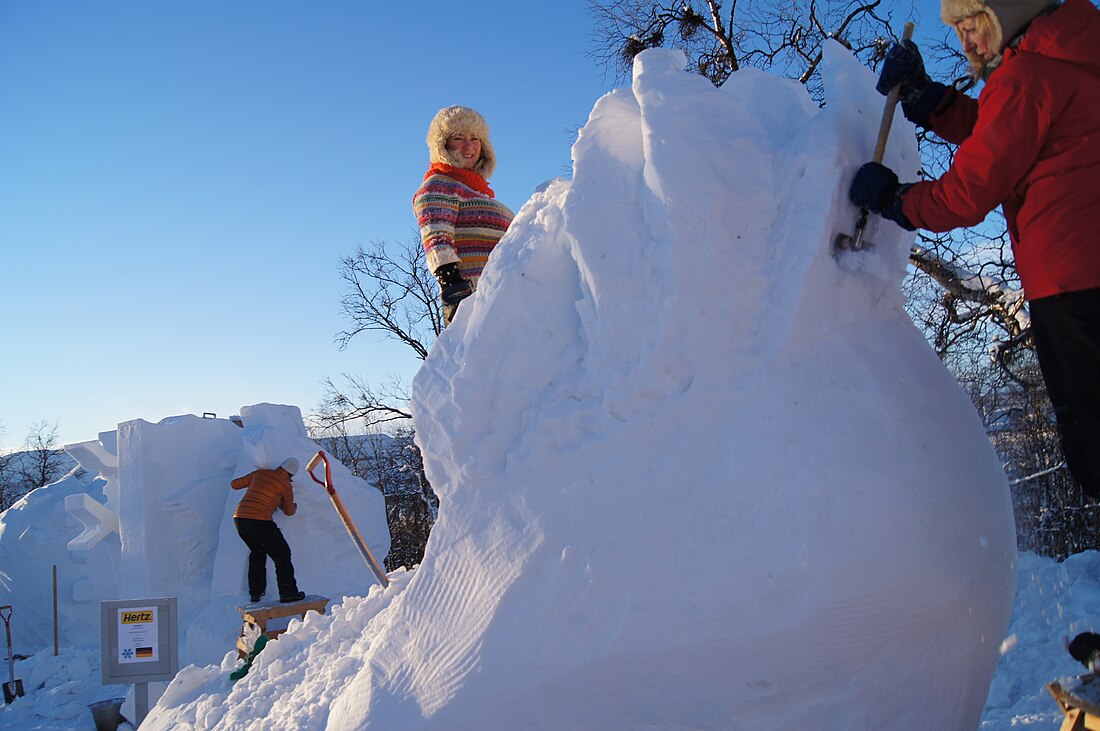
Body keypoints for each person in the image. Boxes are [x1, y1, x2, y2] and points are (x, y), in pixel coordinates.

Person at [848, 0, 1100, 497]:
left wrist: (894, 199)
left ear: (1001, 15)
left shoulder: (1027, 76)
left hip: (1072, 288)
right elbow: (1002, 129)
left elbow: (966, 195)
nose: (965, 43)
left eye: (970, 27)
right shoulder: (1070, 57)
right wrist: (925, 98)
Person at [413, 105, 514, 325]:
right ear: (443, 144)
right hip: (475, 299)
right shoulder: (441, 184)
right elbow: (437, 239)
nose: (469, 146)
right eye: (459, 138)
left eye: (475, 138)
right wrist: (454, 287)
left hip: (505, 293)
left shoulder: (480, 194)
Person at [231, 457, 306, 604]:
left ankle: (256, 592)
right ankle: (288, 592)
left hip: (240, 519)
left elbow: (235, 485)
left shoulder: (260, 473)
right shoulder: (285, 486)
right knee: (282, 554)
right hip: (260, 520)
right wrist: (291, 505)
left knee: (257, 552)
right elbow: (289, 512)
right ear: (292, 475)